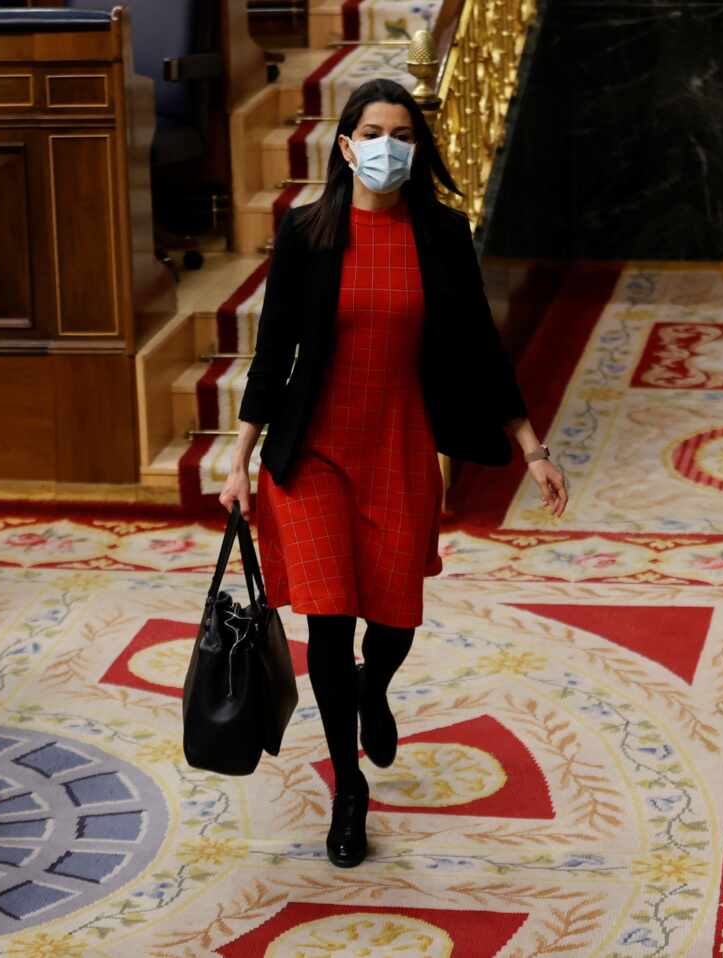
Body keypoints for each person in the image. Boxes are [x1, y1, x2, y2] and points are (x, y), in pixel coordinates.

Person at [219, 78, 568, 868]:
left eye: (402, 133)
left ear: (417, 147)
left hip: (401, 448)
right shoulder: (307, 232)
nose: (388, 146)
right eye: (373, 132)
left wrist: (531, 445)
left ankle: (376, 687)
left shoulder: (441, 234)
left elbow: (481, 348)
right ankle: (348, 789)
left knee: (396, 622)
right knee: (330, 623)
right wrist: (238, 460)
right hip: (311, 456)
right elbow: (273, 356)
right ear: (345, 147)